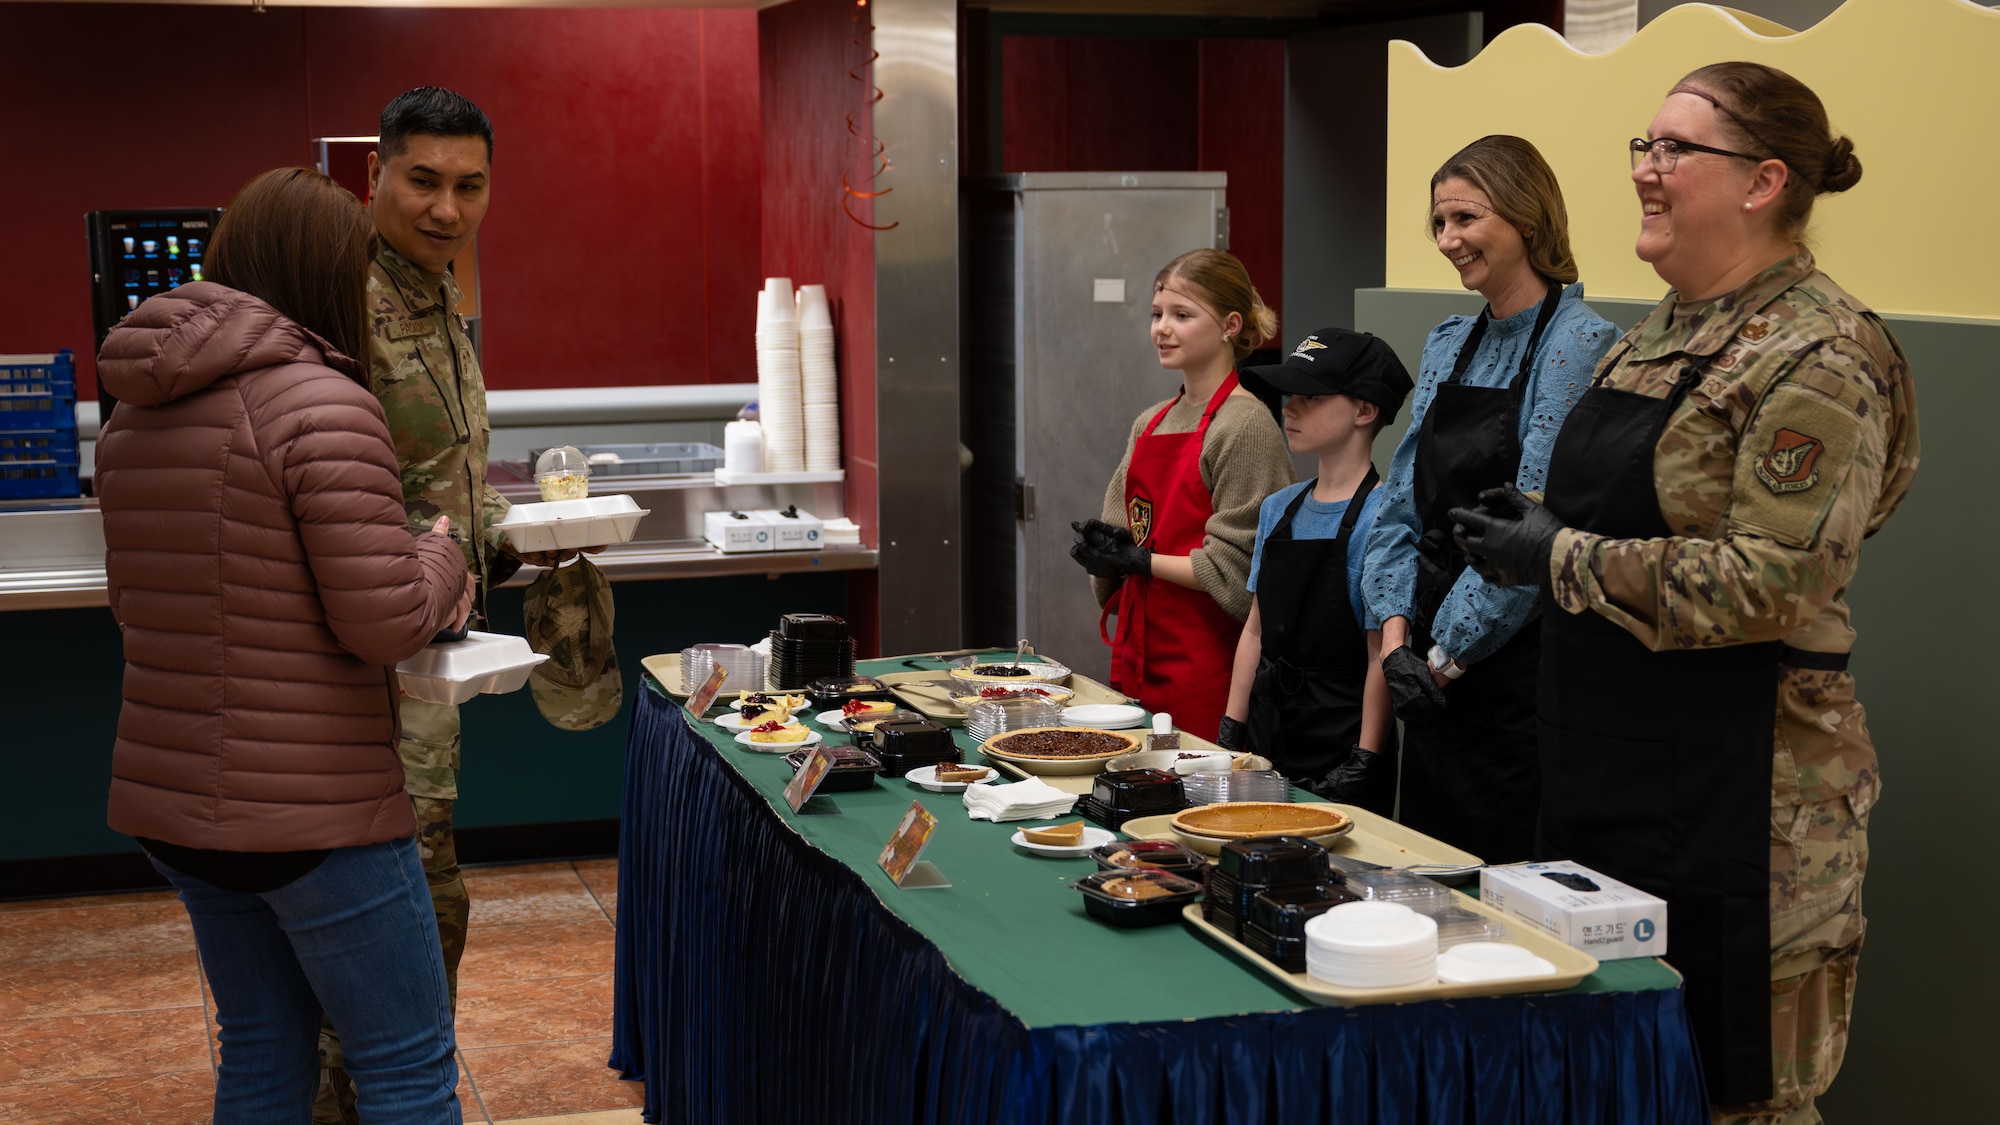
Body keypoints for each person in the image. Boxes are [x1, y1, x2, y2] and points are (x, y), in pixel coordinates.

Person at [1451, 63, 1918, 1123]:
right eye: (1642, 147)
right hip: (1610, 777)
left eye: (1672, 151)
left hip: (1744, 801)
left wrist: (1556, 556)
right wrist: (1516, 524)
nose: (1643, 174)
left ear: (1760, 183)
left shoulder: (1819, 350)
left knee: (1730, 1090)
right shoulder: (1657, 331)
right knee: (1610, 1069)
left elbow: (1776, 579)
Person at [95, 167, 473, 1124]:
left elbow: (133, 603)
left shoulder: (132, 417)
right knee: (408, 1064)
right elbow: (384, 620)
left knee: (263, 1048)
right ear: (324, 272)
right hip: (316, 816)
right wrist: (443, 556)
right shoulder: (323, 402)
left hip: (176, 806)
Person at [318, 85, 533, 1122]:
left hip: (428, 667)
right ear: (375, 177)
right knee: (391, 918)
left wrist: (508, 531)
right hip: (361, 679)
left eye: (469, 185)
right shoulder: (340, 302)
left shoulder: (438, 299)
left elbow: (436, 475)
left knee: (424, 897)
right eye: (423, 181)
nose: (447, 208)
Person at [1361, 135, 1616, 861]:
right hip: (1424, 670)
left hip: (1509, 671)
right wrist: (1397, 641)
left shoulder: (1579, 341)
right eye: (1440, 223)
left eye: (1466, 218)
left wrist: (1445, 658)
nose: (1449, 240)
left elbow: (1531, 521)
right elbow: (1400, 504)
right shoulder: (1448, 341)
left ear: (1526, 220)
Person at [1069, 249, 1295, 743]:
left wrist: (1140, 561)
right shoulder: (1149, 422)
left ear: (1230, 325)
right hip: (1140, 654)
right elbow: (1125, 532)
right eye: (1156, 315)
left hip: (1211, 663)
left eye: (1182, 315)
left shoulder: (1245, 424)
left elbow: (1239, 570)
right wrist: (1104, 553)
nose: (1162, 329)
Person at [1216, 328, 1413, 811]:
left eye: (1311, 397)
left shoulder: (1385, 516)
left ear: (1365, 411)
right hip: (1268, 732)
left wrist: (1365, 758)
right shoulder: (1278, 509)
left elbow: (1379, 655)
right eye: (1289, 396)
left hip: (1341, 739)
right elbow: (1255, 632)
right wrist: (1231, 729)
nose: (1290, 408)